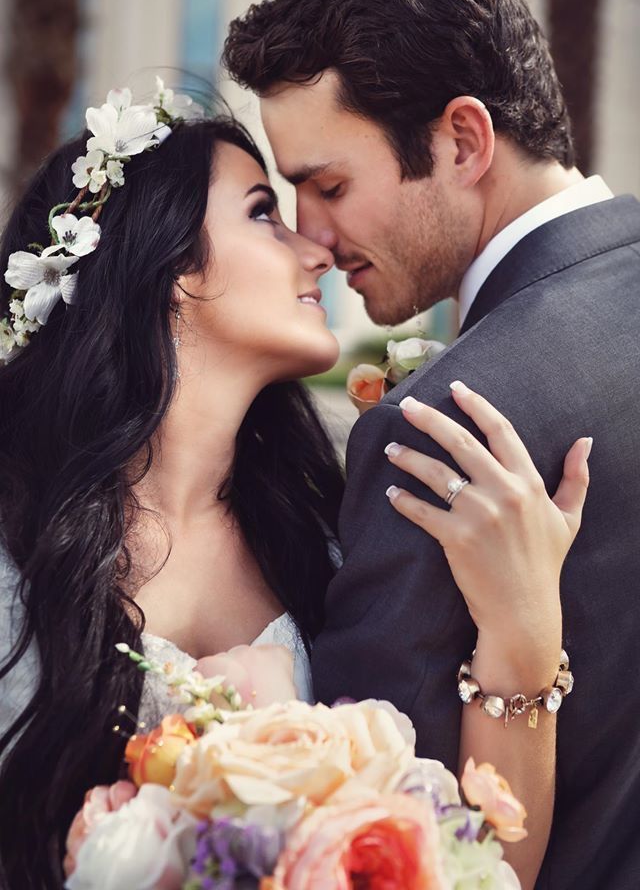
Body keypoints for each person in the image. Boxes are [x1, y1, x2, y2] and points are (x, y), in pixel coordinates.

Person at [0, 82, 586, 890]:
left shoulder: (334, 524)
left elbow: (481, 862)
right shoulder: (16, 549)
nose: (316, 247)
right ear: (167, 269)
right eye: (262, 213)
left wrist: (524, 628)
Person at [222, 0, 640, 888]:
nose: (312, 239)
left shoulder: (445, 428)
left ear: (463, 139)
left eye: (329, 186)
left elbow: (388, 840)